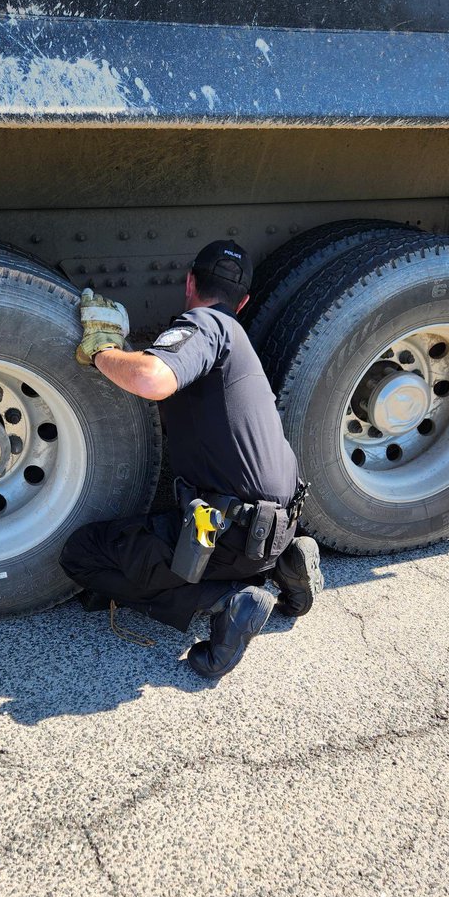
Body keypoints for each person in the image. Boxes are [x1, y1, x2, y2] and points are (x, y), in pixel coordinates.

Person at [59, 240, 323, 677]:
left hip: (230, 535)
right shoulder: (238, 342)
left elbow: (151, 379)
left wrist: (102, 349)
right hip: (278, 525)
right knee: (194, 535)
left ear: (189, 282)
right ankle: (283, 564)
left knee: (83, 554)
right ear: (243, 302)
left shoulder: (205, 324)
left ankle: (226, 601)